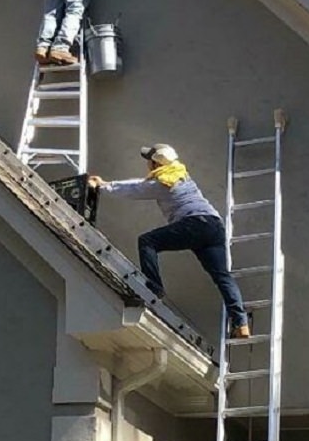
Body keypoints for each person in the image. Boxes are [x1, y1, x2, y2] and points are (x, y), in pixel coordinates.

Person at [89, 143, 251, 337]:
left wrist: (103, 186)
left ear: (155, 163)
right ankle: (241, 323)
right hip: (214, 226)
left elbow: (136, 189)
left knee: (147, 241)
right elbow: (142, 184)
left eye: (149, 160)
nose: (147, 164)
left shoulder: (163, 184)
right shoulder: (181, 174)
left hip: (194, 224)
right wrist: (107, 183)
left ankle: (154, 289)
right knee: (222, 276)